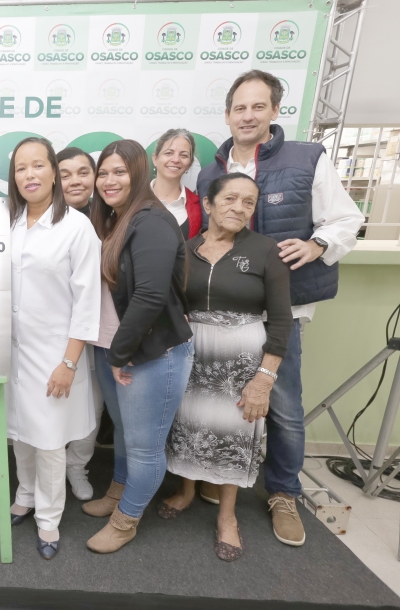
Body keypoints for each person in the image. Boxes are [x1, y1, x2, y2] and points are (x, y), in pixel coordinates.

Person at [196, 70, 364, 546]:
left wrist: (316, 245)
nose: (248, 116)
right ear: (227, 115)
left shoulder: (307, 158)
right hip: (225, 310)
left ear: (274, 110)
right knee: (220, 398)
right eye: (240, 108)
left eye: (258, 106)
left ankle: (284, 492)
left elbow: (347, 217)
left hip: (281, 308)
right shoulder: (210, 171)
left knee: (283, 404)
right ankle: (217, 473)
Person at [162, 174, 292, 561]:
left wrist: (264, 378)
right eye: (231, 199)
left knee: (235, 432)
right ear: (209, 203)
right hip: (191, 352)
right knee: (186, 425)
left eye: (248, 202)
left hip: (241, 359)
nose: (239, 207)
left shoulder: (265, 250)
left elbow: (281, 320)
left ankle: (227, 516)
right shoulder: (186, 249)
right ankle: (186, 490)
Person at [0, 137, 100, 560]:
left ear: (54, 172)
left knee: (50, 441)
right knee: (20, 432)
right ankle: (25, 494)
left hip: (56, 354)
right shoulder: (7, 221)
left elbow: (87, 302)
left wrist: (69, 362)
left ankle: (49, 519)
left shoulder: (76, 227)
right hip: (11, 350)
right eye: (21, 168)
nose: (29, 174)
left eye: (38, 165)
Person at [86, 139, 193, 554]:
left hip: (149, 353)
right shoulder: (113, 219)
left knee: (145, 446)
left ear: (139, 173)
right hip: (115, 348)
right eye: (104, 172)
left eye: (119, 171)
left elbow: (149, 296)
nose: (109, 181)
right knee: (125, 434)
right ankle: (118, 492)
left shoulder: (151, 221)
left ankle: (126, 520)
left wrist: (119, 353)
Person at [55, 146, 106, 502]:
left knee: (93, 403)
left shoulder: (110, 216)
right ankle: (48, 468)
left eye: (83, 172)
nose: (75, 181)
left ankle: (77, 465)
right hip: (54, 328)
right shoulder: (40, 218)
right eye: (65, 174)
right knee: (52, 400)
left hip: (101, 329)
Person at [150, 128, 202, 239]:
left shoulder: (199, 206)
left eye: (183, 155)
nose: (176, 159)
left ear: (190, 163)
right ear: (155, 159)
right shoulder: (133, 200)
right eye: (169, 153)